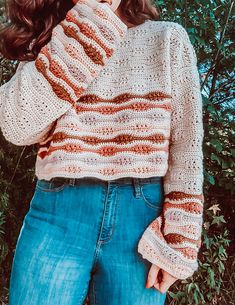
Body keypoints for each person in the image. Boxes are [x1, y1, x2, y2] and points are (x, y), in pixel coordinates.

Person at [0, 0, 204, 304]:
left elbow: (186, 147)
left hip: (141, 218)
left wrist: (180, 240)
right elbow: (17, 126)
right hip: (57, 213)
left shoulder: (168, 39)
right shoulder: (56, 40)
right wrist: (89, 24)